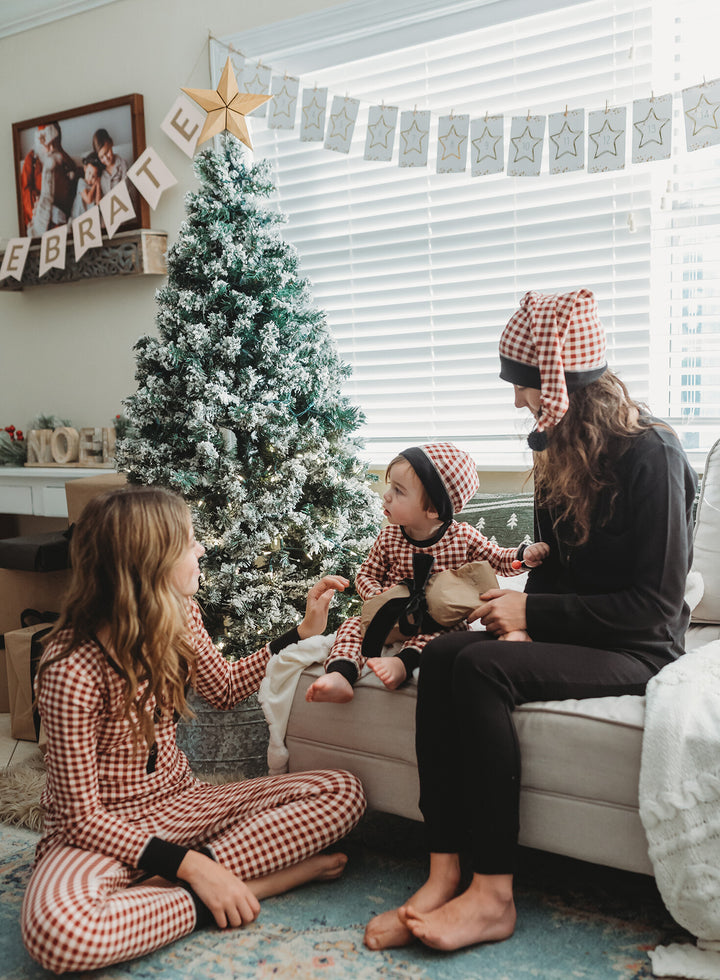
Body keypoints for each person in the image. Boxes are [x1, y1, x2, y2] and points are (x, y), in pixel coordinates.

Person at [363, 288, 697, 953]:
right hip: (573, 633)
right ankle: (443, 869)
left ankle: (493, 895)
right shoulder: (555, 450)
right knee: (453, 652)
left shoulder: (652, 454)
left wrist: (531, 612)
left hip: (639, 647)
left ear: (560, 381)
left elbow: (654, 609)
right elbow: (550, 570)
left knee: (482, 671)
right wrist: (515, 621)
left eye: (523, 386)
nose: (517, 400)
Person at [21, 486, 366, 974]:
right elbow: (80, 818)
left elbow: (224, 688)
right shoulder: (70, 664)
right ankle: (235, 886)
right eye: (188, 540)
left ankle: (164, 893)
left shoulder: (179, 613)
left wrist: (300, 635)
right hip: (98, 833)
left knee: (342, 791)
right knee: (63, 937)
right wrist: (194, 867)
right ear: (151, 559)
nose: (201, 548)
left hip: (182, 804)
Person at [305, 441, 548, 704]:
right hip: (392, 613)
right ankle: (341, 674)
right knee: (352, 625)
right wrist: (378, 595)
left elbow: (499, 559)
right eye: (390, 487)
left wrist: (523, 556)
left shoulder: (463, 536)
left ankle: (402, 664)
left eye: (398, 491)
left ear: (433, 509)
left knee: (448, 631)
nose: (386, 496)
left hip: (436, 617)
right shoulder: (388, 537)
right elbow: (366, 575)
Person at [20, 121, 78, 236]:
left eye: (54, 143)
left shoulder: (59, 156)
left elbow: (73, 171)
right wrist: (45, 211)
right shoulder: (32, 158)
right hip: (41, 214)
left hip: (61, 216)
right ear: (41, 143)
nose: (52, 148)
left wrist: (60, 148)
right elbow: (25, 190)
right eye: (48, 144)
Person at [93, 127, 129, 195]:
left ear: (111, 143)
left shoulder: (122, 165)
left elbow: (127, 190)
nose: (106, 159)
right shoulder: (100, 171)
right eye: (101, 157)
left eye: (107, 152)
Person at [70, 152, 104, 218]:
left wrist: (98, 185)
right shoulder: (81, 182)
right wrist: (94, 186)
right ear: (85, 169)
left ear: (97, 177)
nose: (90, 178)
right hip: (78, 216)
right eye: (89, 173)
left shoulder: (96, 186)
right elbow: (88, 200)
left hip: (89, 218)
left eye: (94, 176)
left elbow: (98, 203)